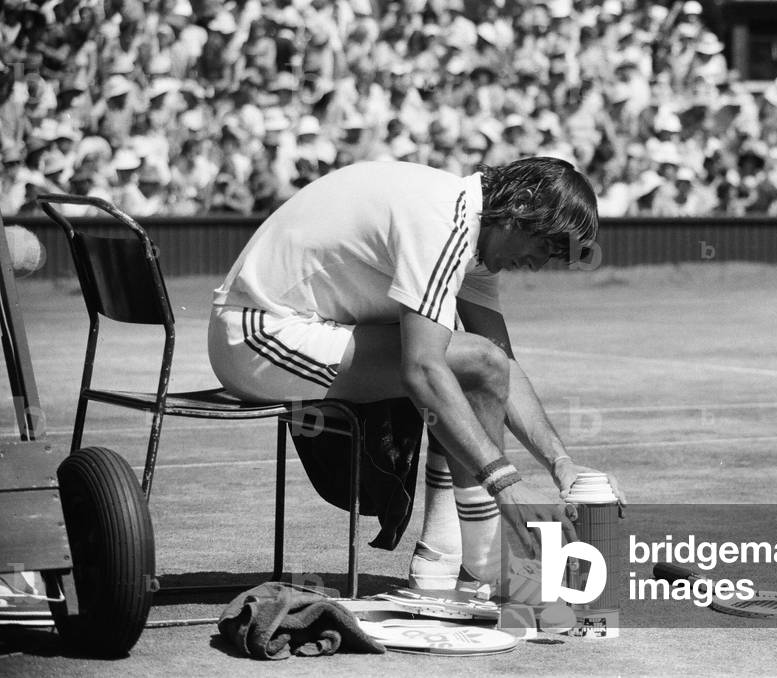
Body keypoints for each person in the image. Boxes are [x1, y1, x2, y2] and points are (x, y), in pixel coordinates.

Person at [207, 156, 624, 594]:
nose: (539, 265)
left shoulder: (471, 229)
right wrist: (507, 487)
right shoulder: (442, 220)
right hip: (256, 336)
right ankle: (482, 567)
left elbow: (500, 365)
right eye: (545, 247)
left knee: (473, 366)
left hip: (294, 327)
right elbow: (422, 370)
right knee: (451, 366)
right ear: (520, 206)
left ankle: (443, 560)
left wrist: (562, 464)